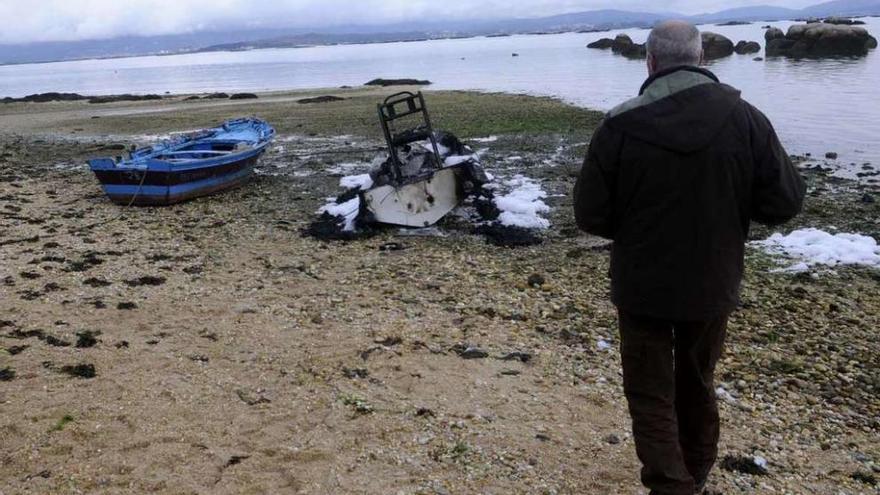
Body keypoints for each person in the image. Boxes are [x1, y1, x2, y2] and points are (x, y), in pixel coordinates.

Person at [573, 20, 806, 495]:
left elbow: (590, 215)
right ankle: (691, 476)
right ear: (702, 59)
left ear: (651, 61)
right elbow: (783, 203)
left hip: (642, 284)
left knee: (650, 391)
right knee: (697, 380)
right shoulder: (746, 119)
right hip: (712, 279)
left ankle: (673, 484)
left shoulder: (619, 125)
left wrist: (636, 224)